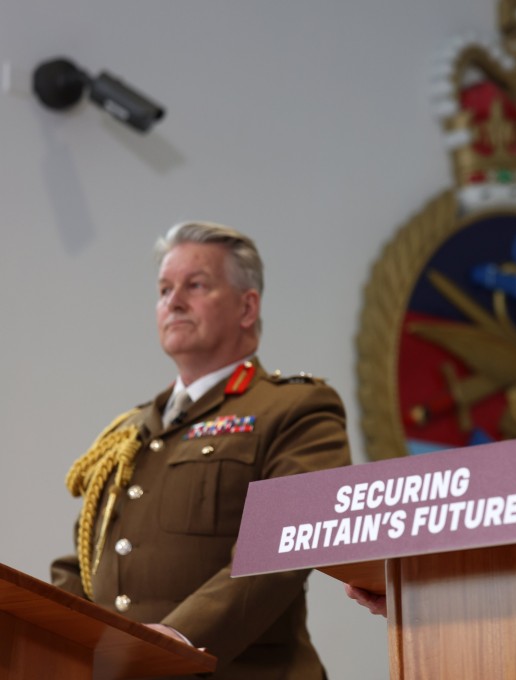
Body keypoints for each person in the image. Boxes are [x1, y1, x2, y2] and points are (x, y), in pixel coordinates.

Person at [52, 221, 351, 680]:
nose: (173, 301)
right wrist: (46, 632)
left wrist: (181, 638)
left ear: (247, 307)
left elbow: (283, 547)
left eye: (195, 285)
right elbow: (87, 557)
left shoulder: (296, 408)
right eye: (165, 289)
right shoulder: (131, 430)